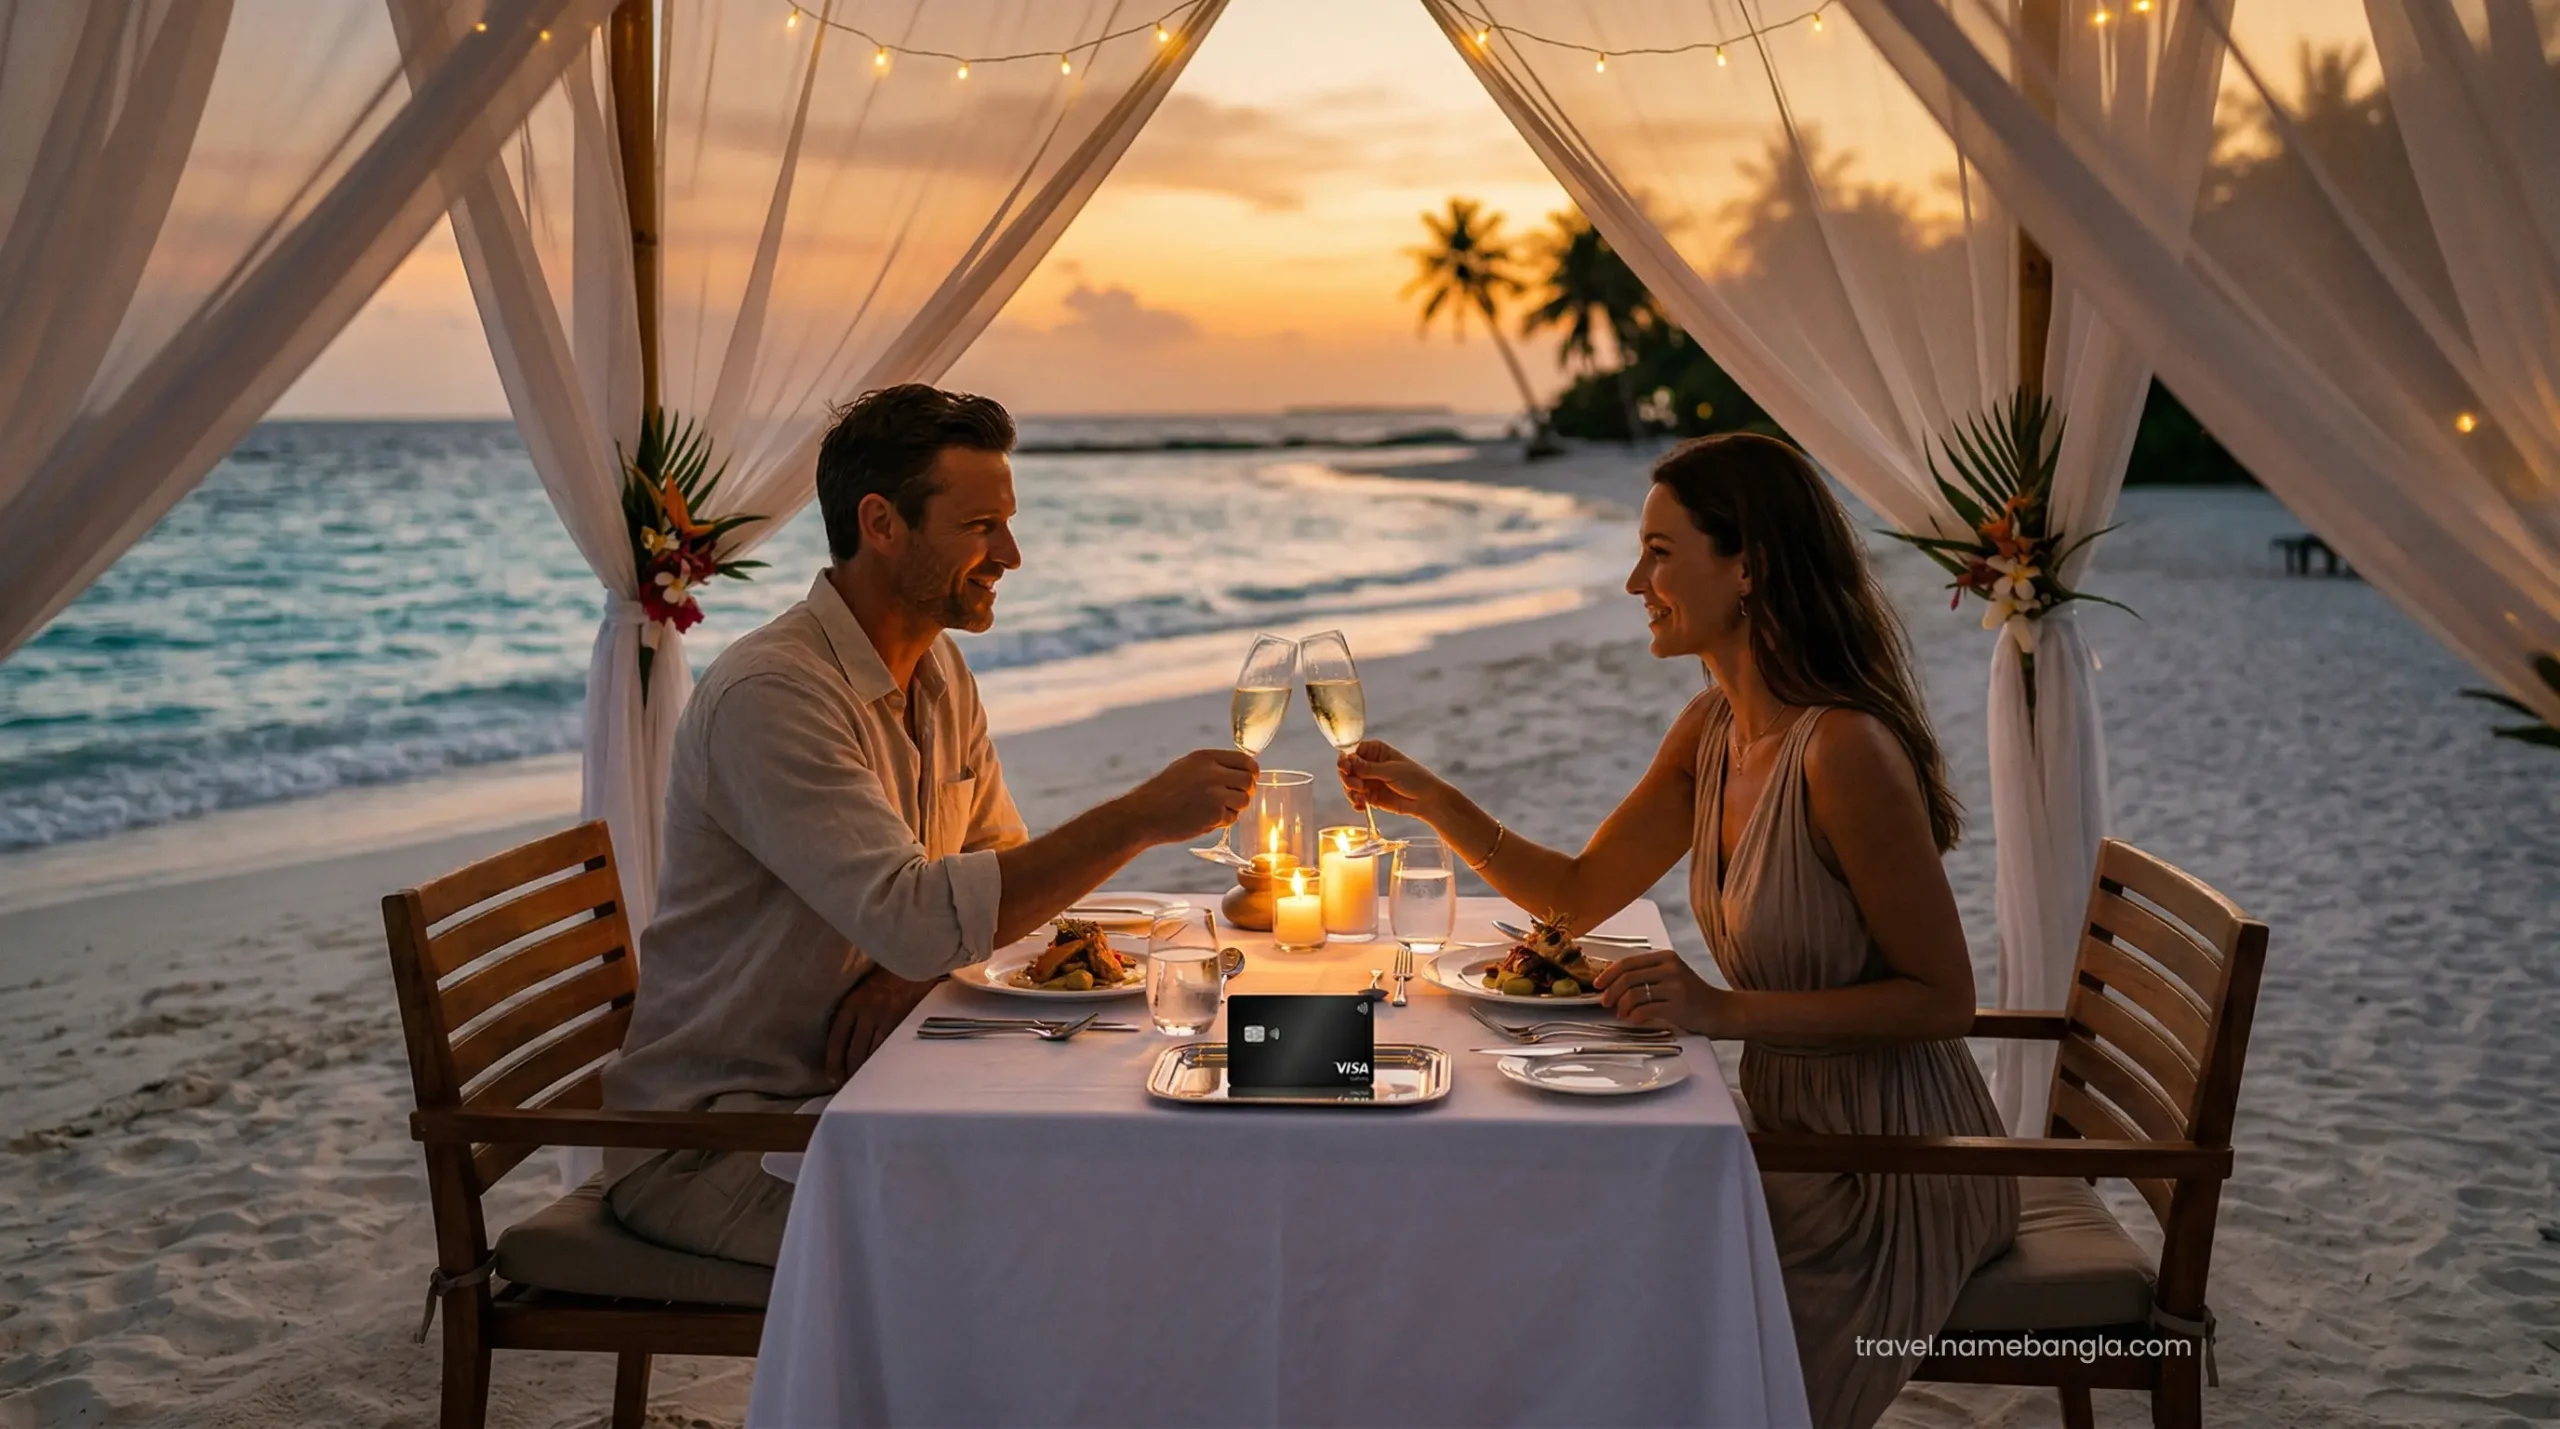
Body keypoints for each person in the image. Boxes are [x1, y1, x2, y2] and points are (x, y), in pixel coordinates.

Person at [1339, 433, 2017, 1428]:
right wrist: (1434, 800)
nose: (1633, 581)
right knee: (1570, 1249)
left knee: (1615, 1295)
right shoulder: (1710, 730)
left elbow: (1942, 1001)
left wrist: (1718, 1008)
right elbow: (1576, 893)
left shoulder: (1845, 752)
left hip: (1889, 1170)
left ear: (1749, 566)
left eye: (1660, 552)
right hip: (1779, 1140)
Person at [602, 384, 1256, 1268]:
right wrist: (1138, 818)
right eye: (982, 526)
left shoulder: (936, 668)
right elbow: (920, 914)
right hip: (723, 1140)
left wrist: (915, 976)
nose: (1012, 555)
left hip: (869, 1087)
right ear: (882, 522)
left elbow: (990, 870)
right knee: (1043, 1232)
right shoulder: (774, 697)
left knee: (1114, 1164)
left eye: (1008, 524)